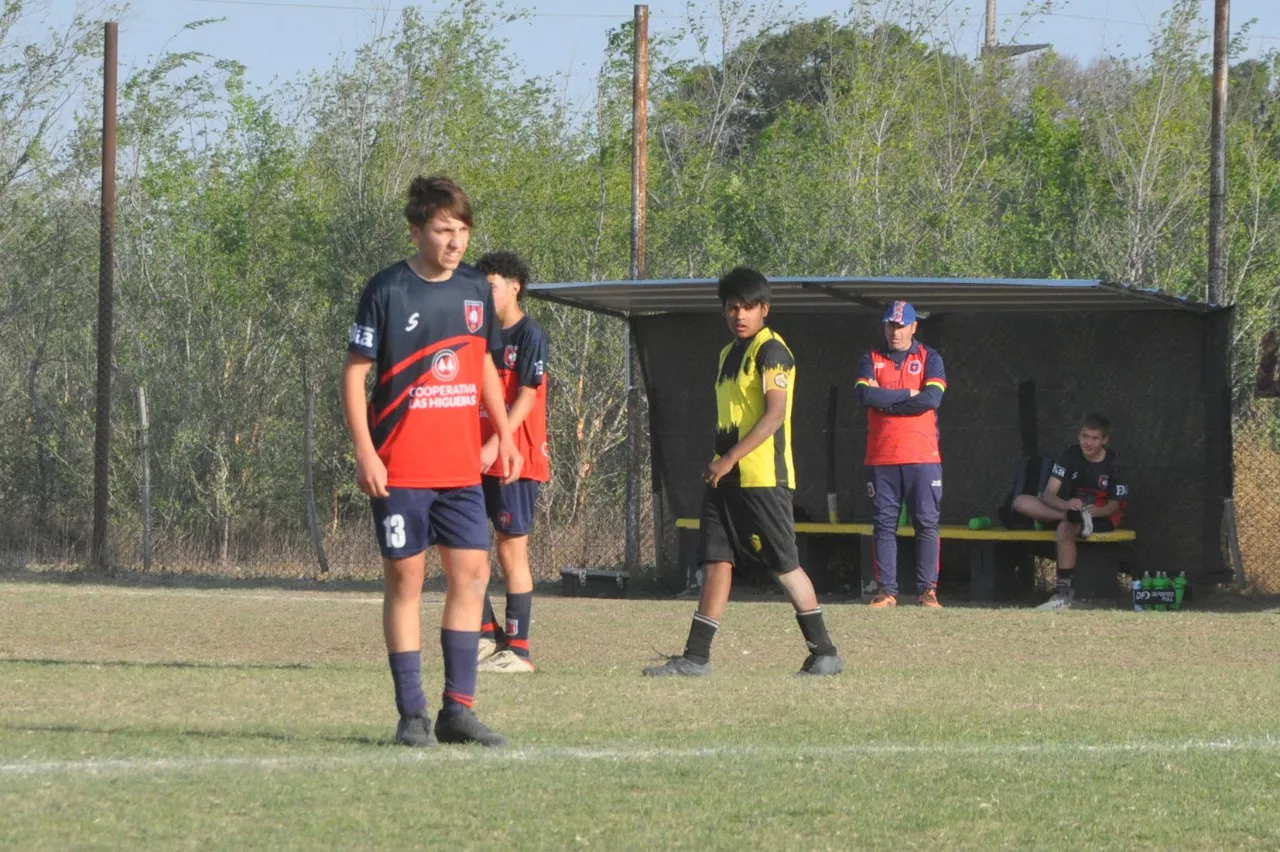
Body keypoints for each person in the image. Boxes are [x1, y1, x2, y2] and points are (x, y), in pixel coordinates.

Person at [340, 175, 522, 748]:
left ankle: (457, 710)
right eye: (444, 230)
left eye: (463, 230)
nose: (456, 241)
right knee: (406, 579)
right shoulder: (387, 290)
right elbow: (354, 374)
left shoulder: (474, 289)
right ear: (417, 230)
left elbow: (485, 365)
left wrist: (505, 434)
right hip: (401, 468)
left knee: (472, 576)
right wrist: (365, 450)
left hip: (461, 469)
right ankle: (412, 713)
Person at [643, 267, 844, 678]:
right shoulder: (726, 354)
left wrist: (730, 457)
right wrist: (722, 463)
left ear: (764, 309)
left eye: (748, 307)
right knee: (716, 561)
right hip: (725, 479)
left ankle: (825, 652)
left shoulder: (773, 351)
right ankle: (696, 658)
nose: (739, 314)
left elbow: (774, 416)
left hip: (762, 479)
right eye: (732, 307)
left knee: (785, 566)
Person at [473, 251, 549, 674]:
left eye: (492, 284)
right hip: (476, 455)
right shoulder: (479, 335)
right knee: (464, 549)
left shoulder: (529, 333)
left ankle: (518, 651)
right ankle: (487, 636)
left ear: (515, 286)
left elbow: (527, 395)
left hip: (512, 458)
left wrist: (498, 441)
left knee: (510, 552)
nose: (485, 293)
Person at [854, 300, 947, 609]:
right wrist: (908, 395)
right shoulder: (871, 357)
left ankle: (927, 591)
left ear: (913, 327)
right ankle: (887, 591)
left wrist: (886, 402)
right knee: (883, 525)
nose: (895, 331)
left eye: (901, 325)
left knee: (926, 523)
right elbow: (864, 394)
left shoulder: (929, 357)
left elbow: (931, 399)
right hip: (881, 458)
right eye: (890, 325)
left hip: (923, 456)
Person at [1011, 414, 1129, 610]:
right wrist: (1067, 507)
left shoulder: (1114, 463)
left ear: (1105, 440)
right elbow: (1049, 494)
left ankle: (1064, 594)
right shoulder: (1070, 455)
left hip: (1100, 516)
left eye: (1095, 438)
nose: (1088, 442)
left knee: (1065, 529)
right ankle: (1070, 517)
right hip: (1070, 511)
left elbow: (1115, 506)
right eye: (1085, 436)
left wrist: (1094, 513)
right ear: (1078, 435)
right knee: (1020, 501)